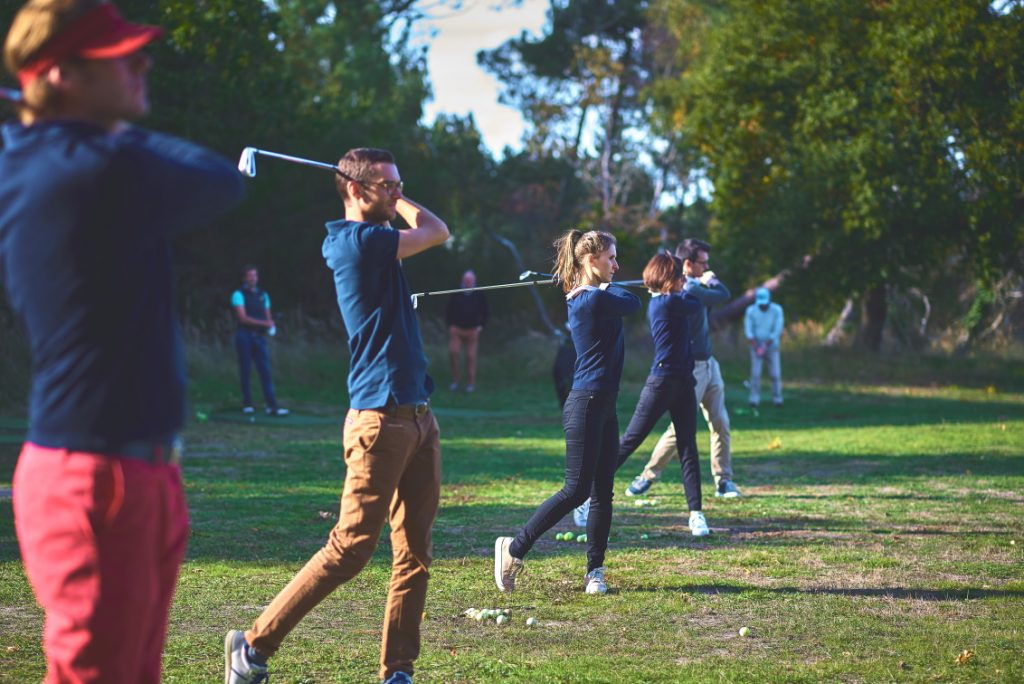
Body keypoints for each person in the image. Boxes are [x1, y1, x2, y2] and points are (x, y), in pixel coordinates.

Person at [0, 1, 245, 681]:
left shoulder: (35, 156)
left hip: (127, 467)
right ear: (58, 74)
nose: (141, 63)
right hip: (95, 480)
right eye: (118, 55)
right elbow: (221, 179)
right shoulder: (94, 167)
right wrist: (92, 128)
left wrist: (46, 117)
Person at [224, 147, 448, 684]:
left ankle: (398, 670)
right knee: (350, 548)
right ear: (354, 189)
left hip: (419, 417)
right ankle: (252, 646)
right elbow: (437, 229)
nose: (397, 193)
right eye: (387, 185)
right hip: (379, 421)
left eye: (400, 184)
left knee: (415, 555)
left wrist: (389, 194)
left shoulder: (376, 236)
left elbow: (431, 229)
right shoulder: (356, 241)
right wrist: (397, 204)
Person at [494, 229, 640, 596]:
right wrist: (598, 286)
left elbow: (622, 297)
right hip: (586, 403)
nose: (617, 265)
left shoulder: (592, 295)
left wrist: (595, 284)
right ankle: (513, 550)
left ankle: (595, 571)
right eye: (611, 258)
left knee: (603, 492)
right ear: (591, 260)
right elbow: (632, 302)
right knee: (576, 490)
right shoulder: (590, 301)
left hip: (605, 403)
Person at [624, 238, 743, 499]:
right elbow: (715, 295)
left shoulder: (690, 287)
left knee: (721, 423)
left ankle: (724, 480)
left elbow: (721, 295)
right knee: (679, 430)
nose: (707, 266)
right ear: (687, 264)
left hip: (710, 363)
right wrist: (703, 282)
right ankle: (647, 475)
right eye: (703, 262)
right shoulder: (685, 292)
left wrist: (704, 280)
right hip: (690, 369)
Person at [614, 253, 709, 536]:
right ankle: (587, 495)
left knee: (688, 447)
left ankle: (696, 514)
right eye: (679, 275)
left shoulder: (672, 300)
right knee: (631, 440)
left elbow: (693, 303)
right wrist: (694, 283)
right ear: (669, 278)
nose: (683, 279)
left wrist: (687, 282)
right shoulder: (664, 303)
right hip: (662, 382)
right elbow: (694, 302)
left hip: (683, 382)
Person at [232, 265, 288, 416]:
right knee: (246, 370)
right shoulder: (238, 294)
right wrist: (266, 324)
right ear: (244, 278)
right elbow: (242, 318)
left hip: (259, 338)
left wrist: (270, 326)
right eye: (250, 276)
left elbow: (267, 315)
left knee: (265, 371)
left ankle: (272, 406)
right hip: (244, 336)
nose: (253, 278)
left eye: (255, 275)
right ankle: (247, 403)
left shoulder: (263, 295)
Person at [445, 269, 488, 392]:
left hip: (472, 330)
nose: (468, 282)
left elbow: (485, 311)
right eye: (466, 279)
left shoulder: (479, 294)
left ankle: (470, 383)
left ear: (474, 281)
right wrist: (450, 326)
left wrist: (481, 326)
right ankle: (455, 381)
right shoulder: (456, 292)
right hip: (457, 329)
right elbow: (448, 310)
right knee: (454, 353)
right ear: (463, 280)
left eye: (470, 280)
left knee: (471, 356)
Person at [744, 287, 784, 407]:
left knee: (775, 374)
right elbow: (748, 330)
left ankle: (777, 399)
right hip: (756, 347)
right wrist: (757, 346)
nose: (763, 306)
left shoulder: (777, 310)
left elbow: (777, 330)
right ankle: (754, 399)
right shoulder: (751, 311)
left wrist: (765, 346)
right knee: (755, 374)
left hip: (772, 347)